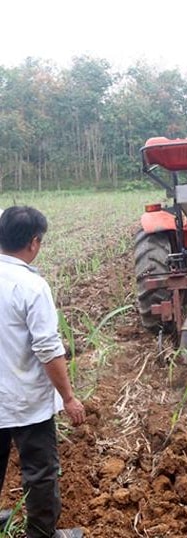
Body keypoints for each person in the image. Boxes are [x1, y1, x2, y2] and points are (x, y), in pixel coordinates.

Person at [0, 206, 85, 538]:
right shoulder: (31, 286)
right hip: (25, 401)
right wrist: (68, 397)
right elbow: (48, 349)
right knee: (40, 473)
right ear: (34, 243)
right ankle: (42, 535)